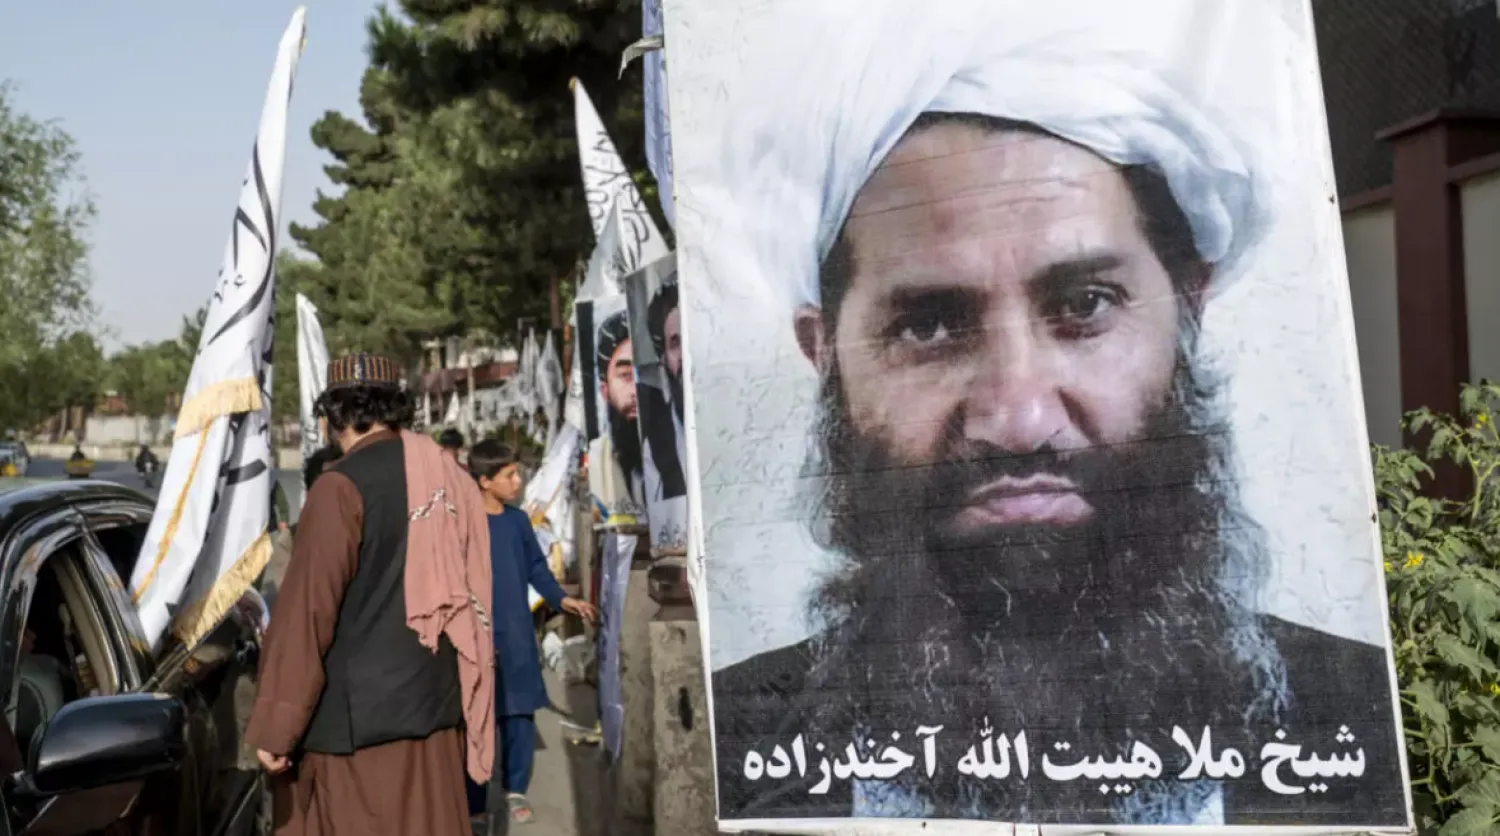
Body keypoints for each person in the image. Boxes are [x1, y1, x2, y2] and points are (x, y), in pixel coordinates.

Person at [703, 0, 1405, 827]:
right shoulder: (742, 741)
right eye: (929, 324)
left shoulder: (1348, 720)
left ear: (1188, 305)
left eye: (1085, 304)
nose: (1021, 416)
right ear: (824, 353)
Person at [244, 353, 495, 836]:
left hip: (358, 734)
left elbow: (306, 615)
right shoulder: (448, 476)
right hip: (437, 709)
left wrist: (277, 728)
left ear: (333, 416)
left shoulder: (339, 487)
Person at [466, 439, 598, 832]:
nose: (519, 480)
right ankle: (474, 801)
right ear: (484, 481)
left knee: (519, 712)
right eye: (508, 475)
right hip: (476, 634)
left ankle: (515, 790)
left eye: (517, 472)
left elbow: (537, 570)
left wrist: (563, 600)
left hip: (517, 632)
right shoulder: (462, 524)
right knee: (478, 716)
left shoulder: (518, 522)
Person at [586, 310, 645, 521]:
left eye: (647, 372)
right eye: (626, 376)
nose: (637, 389)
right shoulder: (601, 458)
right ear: (605, 390)